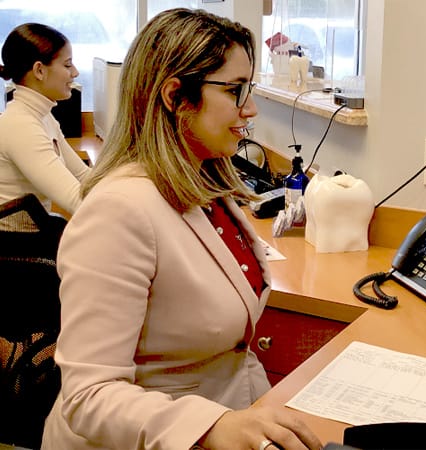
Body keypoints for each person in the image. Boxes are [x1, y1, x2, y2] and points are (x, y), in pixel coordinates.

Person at [41, 8, 322, 450]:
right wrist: (212, 427)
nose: (250, 108)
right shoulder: (119, 212)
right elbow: (88, 397)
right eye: (235, 91)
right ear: (175, 97)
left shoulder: (204, 183)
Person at [0, 23, 90, 215]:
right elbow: (76, 200)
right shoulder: (21, 126)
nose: (75, 73)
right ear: (39, 70)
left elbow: (83, 175)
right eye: (67, 65)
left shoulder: (42, 116)